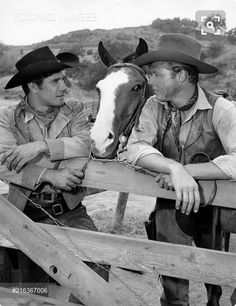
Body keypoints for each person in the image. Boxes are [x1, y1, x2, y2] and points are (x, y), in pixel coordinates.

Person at [127, 33, 236, 306]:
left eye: (155, 74)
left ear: (181, 74)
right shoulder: (153, 106)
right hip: (170, 210)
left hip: (216, 211)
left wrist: (188, 171)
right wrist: (173, 167)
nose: (149, 80)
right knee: (172, 284)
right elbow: (136, 147)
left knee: (219, 277)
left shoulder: (221, 109)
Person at [0, 46, 109, 303]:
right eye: (56, 81)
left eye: (64, 79)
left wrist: (39, 147)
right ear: (34, 86)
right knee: (30, 288)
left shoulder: (75, 109)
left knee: (98, 263)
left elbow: (85, 144)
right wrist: (48, 174)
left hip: (70, 211)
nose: (65, 86)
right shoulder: (7, 118)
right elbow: (2, 163)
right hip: (24, 213)